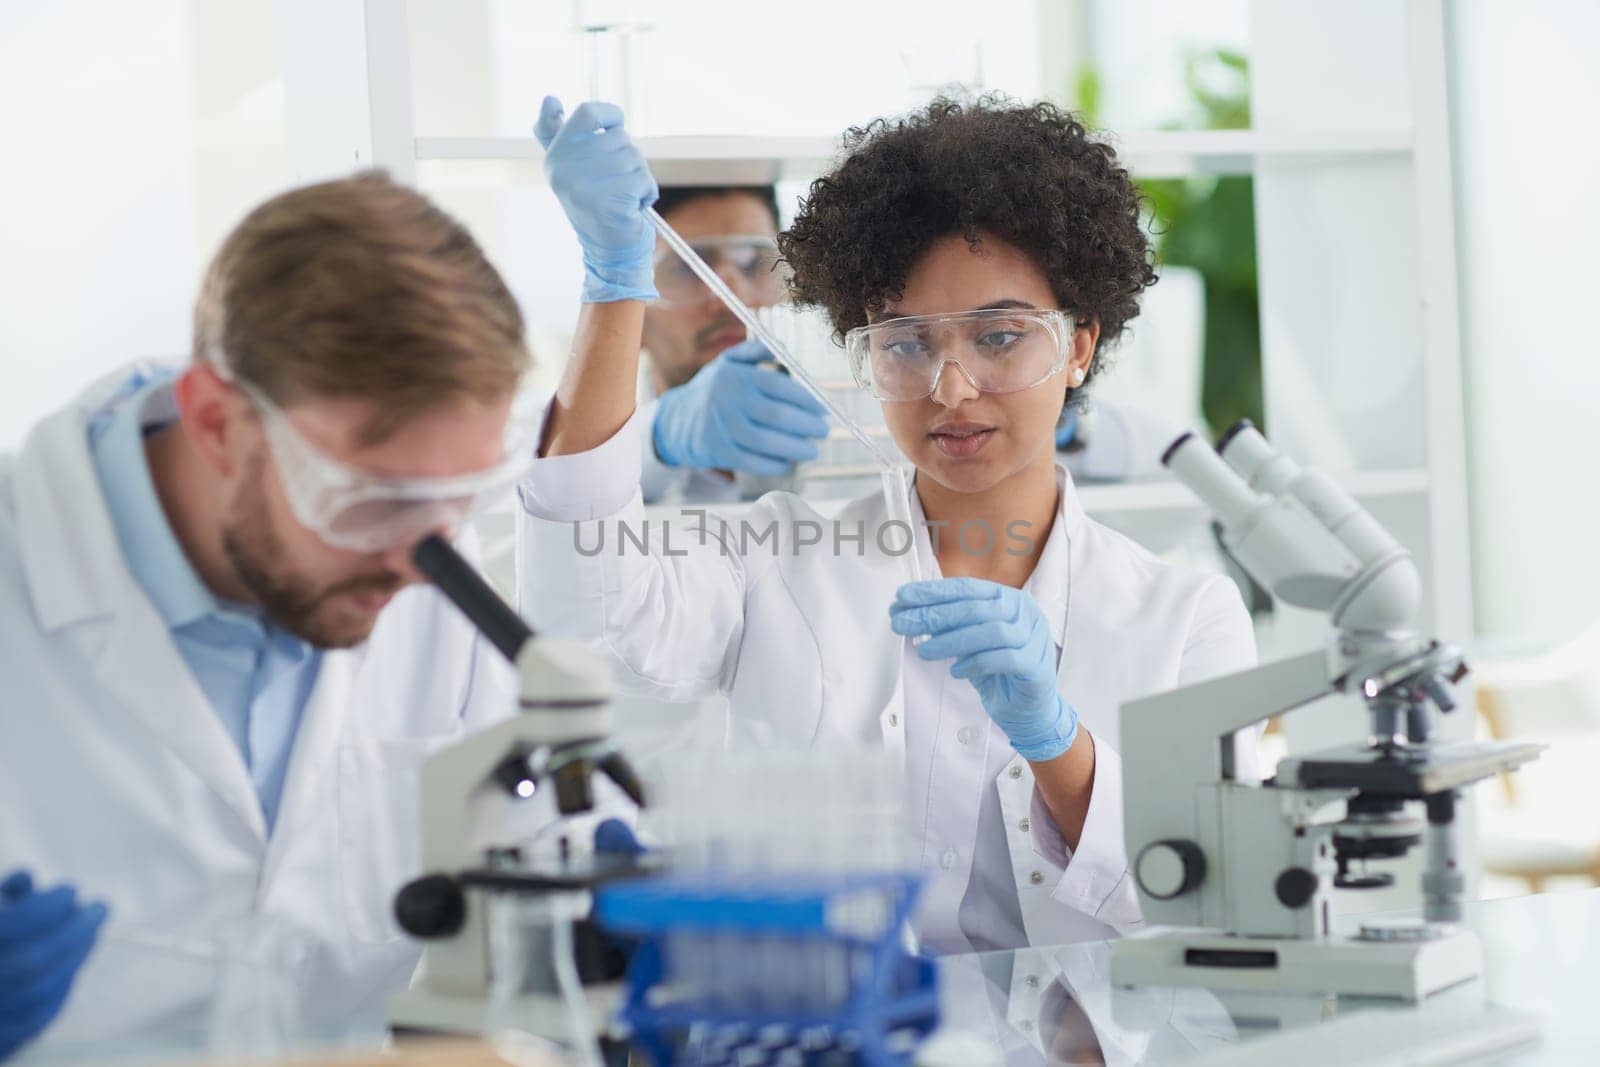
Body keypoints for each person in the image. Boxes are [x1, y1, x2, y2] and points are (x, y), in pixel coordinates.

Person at [517, 95, 1258, 954]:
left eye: (1000, 337)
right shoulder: (777, 560)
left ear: (1081, 343)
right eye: (906, 343)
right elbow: (582, 619)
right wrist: (615, 283)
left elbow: (1211, 897)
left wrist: (1059, 743)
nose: (950, 387)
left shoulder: (1186, 616)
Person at [0, 174, 565, 1057]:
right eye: (371, 501)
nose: (416, 561)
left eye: (456, 499)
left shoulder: (417, 572)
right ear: (218, 421)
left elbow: (523, 886)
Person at [637, 183, 830, 504]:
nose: (731, 300)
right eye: (688, 267)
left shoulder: (845, 420)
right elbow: (549, 490)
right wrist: (656, 437)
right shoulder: (559, 429)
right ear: (635, 314)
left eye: (754, 262)